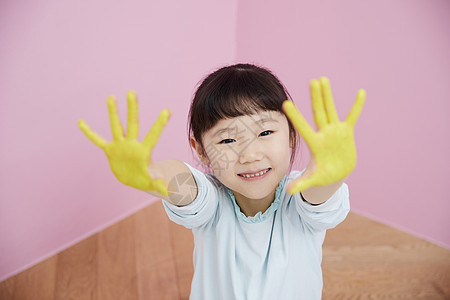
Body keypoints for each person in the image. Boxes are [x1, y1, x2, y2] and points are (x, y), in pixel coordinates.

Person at [79, 63, 365, 299]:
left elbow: (318, 194)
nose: (250, 154)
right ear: (201, 149)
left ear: (291, 134)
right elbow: (185, 185)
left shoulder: (300, 195)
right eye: (228, 139)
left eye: (265, 133)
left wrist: (333, 175)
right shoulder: (212, 203)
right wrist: (152, 173)